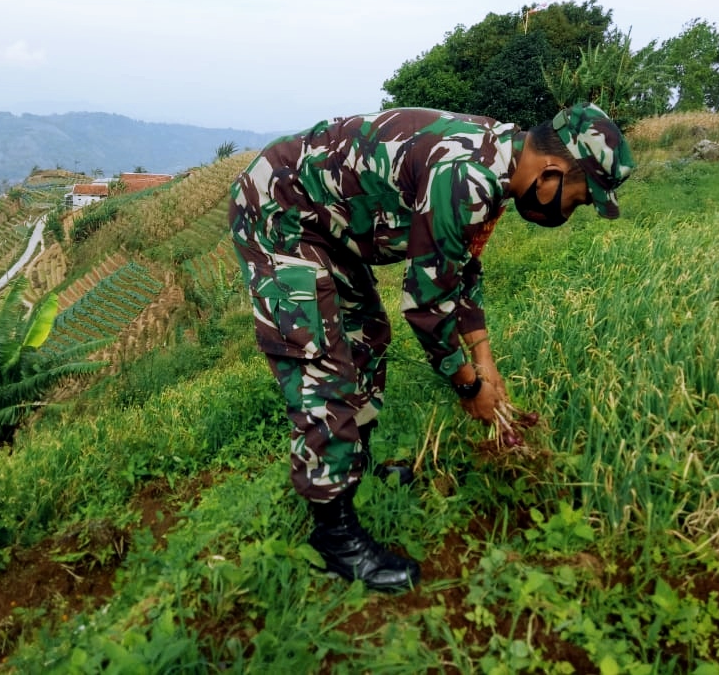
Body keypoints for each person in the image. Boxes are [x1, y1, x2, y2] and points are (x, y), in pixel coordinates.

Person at [228, 102, 633, 593]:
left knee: (365, 335)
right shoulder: (466, 176)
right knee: (322, 363)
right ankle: (333, 534)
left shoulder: (501, 163)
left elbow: (460, 268)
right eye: (577, 199)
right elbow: (425, 305)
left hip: (325, 225)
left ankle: (352, 461)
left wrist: (485, 360)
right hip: (280, 210)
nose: (568, 211)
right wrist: (468, 386)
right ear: (552, 172)